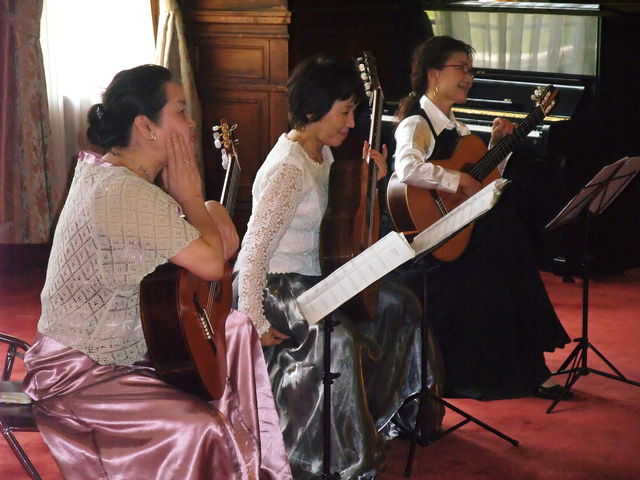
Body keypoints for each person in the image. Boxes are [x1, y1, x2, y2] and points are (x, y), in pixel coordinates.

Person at [22, 64, 292, 480]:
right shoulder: (124, 191)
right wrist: (192, 196)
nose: (191, 122)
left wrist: (204, 208)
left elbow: (218, 244)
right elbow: (212, 263)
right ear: (146, 126)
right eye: (181, 111)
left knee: (235, 327)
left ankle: (247, 463)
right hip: (80, 372)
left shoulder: (117, 175)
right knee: (200, 427)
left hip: (120, 347)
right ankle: (224, 450)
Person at [233, 55, 435, 479]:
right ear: (312, 110)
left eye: (353, 112)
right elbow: (252, 252)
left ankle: (396, 416)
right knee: (338, 340)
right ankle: (343, 460)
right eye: (344, 112)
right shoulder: (288, 169)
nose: (351, 123)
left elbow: (341, 222)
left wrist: (372, 183)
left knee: (401, 304)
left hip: (317, 277)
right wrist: (253, 318)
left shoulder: (323, 152)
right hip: (277, 286)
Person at [389, 35, 571, 400]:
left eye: (471, 71)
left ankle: (528, 363)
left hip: (458, 231)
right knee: (506, 234)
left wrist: (496, 149)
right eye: (462, 69)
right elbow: (407, 168)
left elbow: (480, 184)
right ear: (434, 74)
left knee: (507, 234)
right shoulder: (417, 123)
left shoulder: (457, 127)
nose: (469, 78)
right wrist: (456, 180)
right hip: (430, 239)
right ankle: (529, 365)